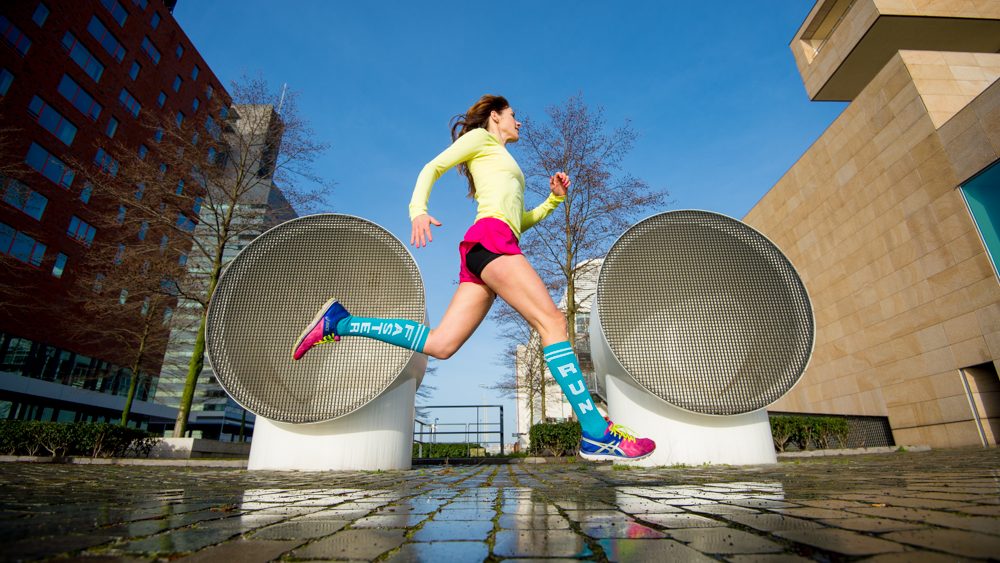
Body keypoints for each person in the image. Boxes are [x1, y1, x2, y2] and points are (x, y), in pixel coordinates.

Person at [292, 95, 654, 461]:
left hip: (494, 242)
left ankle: (342, 323)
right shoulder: (480, 139)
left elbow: (518, 220)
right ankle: (595, 431)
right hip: (492, 241)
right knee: (554, 322)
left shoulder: (502, 159)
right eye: (514, 115)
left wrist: (553, 200)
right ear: (495, 116)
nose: (520, 122)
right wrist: (418, 210)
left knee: (441, 345)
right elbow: (432, 168)